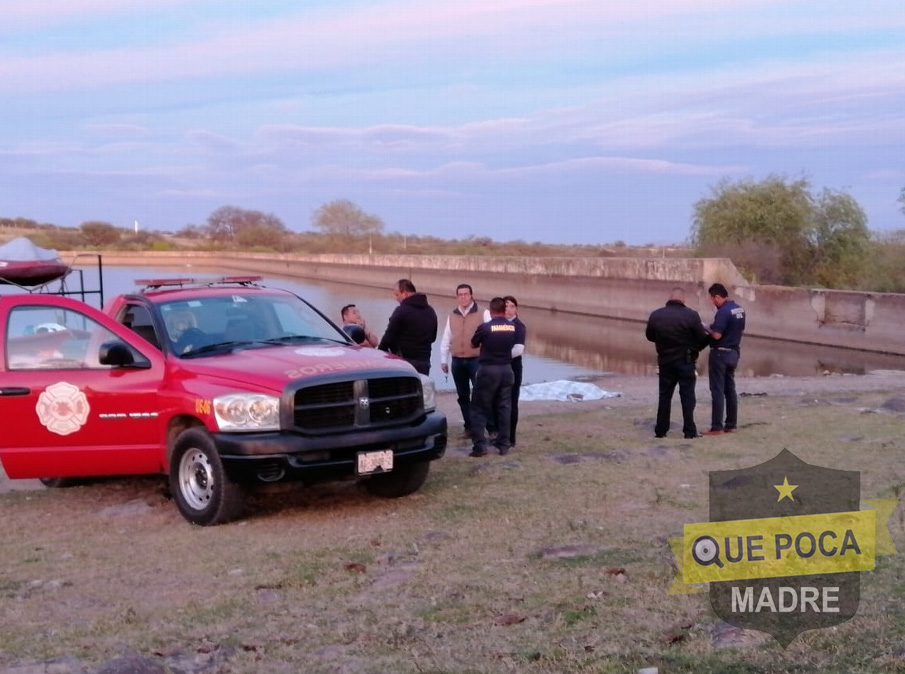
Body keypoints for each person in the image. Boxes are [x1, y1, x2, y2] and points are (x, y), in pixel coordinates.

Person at [645, 287, 711, 439]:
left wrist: (663, 342)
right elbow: (701, 338)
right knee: (687, 396)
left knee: (664, 396)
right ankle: (689, 431)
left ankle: (661, 430)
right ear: (683, 299)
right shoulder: (691, 315)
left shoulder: (656, 315)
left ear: (670, 298)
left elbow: (649, 336)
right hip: (685, 361)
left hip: (665, 362)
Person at [468, 297, 526, 457]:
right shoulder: (514, 327)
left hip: (488, 369)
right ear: (503, 310)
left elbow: (473, 344)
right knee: (504, 407)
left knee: (479, 408)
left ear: (491, 311)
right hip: (507, 370)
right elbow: (516, 347)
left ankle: (480, 446)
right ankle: (504, 444)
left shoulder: (485, 327)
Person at [439, 284, 483, 436]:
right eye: (460, 294)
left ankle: (486, 427)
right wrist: (444, 360)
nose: (463, 297)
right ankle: (469, 426)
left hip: (476, 360)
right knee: (463, 396)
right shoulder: (452, 314)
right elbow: (446, 337)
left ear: (472, 296)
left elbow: (490, 334)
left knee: (480, 395)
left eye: (466, 294)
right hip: (457, 361)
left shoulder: (483, 313)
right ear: (456, 297)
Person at [704, 283, 747, 435]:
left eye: (712, 298)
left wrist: (705, 327)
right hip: (734, 352)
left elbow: (716, 335)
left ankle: (717, 427)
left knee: (717, 390)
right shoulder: (739, 309)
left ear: (717, 296)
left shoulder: (723, 312)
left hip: (720, 354)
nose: (712, 302)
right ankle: (731, 424)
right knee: (730, 389)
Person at [377, 279, 438, 375]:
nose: (396, 298)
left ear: (405, 293)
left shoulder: (401, 311)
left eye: (397, 295)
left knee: (405, 390)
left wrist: (379, 353)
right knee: (421, 388)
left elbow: (389, 336)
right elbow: (433, 338)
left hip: (404, 362)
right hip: (424, 362)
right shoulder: (431, 311)